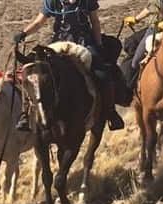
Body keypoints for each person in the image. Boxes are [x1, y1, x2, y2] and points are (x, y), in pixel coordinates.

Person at [13, 0, 124, 131]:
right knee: (32, 71)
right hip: (59, 41)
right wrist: (24, 33)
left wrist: (98, 45)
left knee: (102, 74)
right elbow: (39, 22)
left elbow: (95, 21)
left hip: (84, 42)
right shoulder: (52, 2)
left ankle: (111, 113)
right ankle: (26, 115)